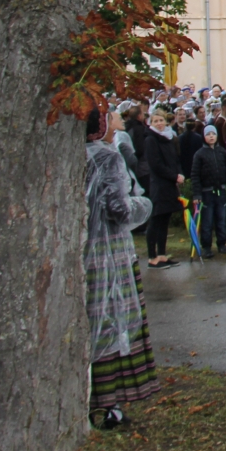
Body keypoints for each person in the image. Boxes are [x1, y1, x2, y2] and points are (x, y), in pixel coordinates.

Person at [86, 106, 160, 428]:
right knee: (114, 323)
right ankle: (109, 405)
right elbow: (119, 209)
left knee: (92, 322)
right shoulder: (106, 157)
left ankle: (88, 396)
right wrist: (145, 204)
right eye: (111, 117)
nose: (117, 122)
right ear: (101, 124)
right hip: (109, 252)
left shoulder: (75, 155)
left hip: (83, 250)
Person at [142, 109, 184, 268]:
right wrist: (174, 176)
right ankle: (152, 257)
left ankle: (162, 254)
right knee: (156, 219)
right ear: (151, 123)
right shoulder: (151, 140)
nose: (159, 124)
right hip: (159, 184)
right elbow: (156, 165)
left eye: (161, 120)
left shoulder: (168, 137)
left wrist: (179, 173)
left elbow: (175, 159)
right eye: (156, 121)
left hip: (169, 184)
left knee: (165, 220)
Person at [189, 124, 226, 255]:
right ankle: (206, 246)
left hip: (221, 191)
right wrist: (197, 194)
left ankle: (222, 243)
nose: (211, 137)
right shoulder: (199, 154)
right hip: (206, 192)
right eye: (208, 134)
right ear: (204, 137)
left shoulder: (222, 152)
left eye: (213, 134)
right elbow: (195, 175)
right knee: (207, 221)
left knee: (221, 219)